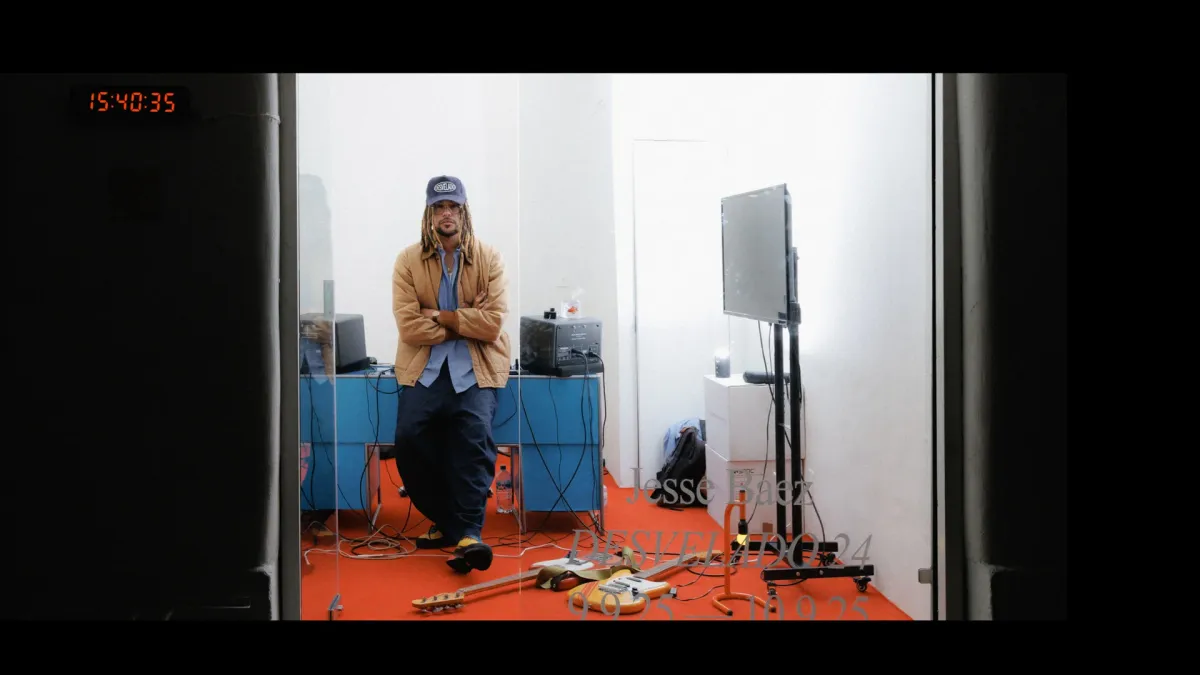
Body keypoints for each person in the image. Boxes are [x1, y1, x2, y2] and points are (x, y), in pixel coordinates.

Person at [391, 175, 511, 574]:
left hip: (475, 368)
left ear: (464, 211)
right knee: (409, 440)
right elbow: (409, 327)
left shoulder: (489, 258)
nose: (447, 214)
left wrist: (438, 315)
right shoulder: (407, 260)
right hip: (425, 369)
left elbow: (492, 325)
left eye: (453, 207)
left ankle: (469, 535)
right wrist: (464, 320)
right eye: (440, 207)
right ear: (429, 213)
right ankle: (450, 524)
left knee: (474, 441)